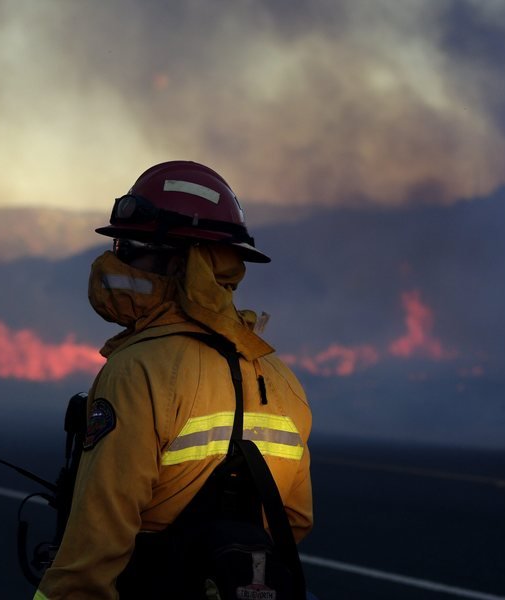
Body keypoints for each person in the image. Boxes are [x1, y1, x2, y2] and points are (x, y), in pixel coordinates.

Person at [33, 161, 313, 599]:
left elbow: (96, 545)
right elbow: (293, 519)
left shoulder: (138, 371)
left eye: (131, 247)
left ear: (183, 263)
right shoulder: (281, 378)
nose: (116, 260)